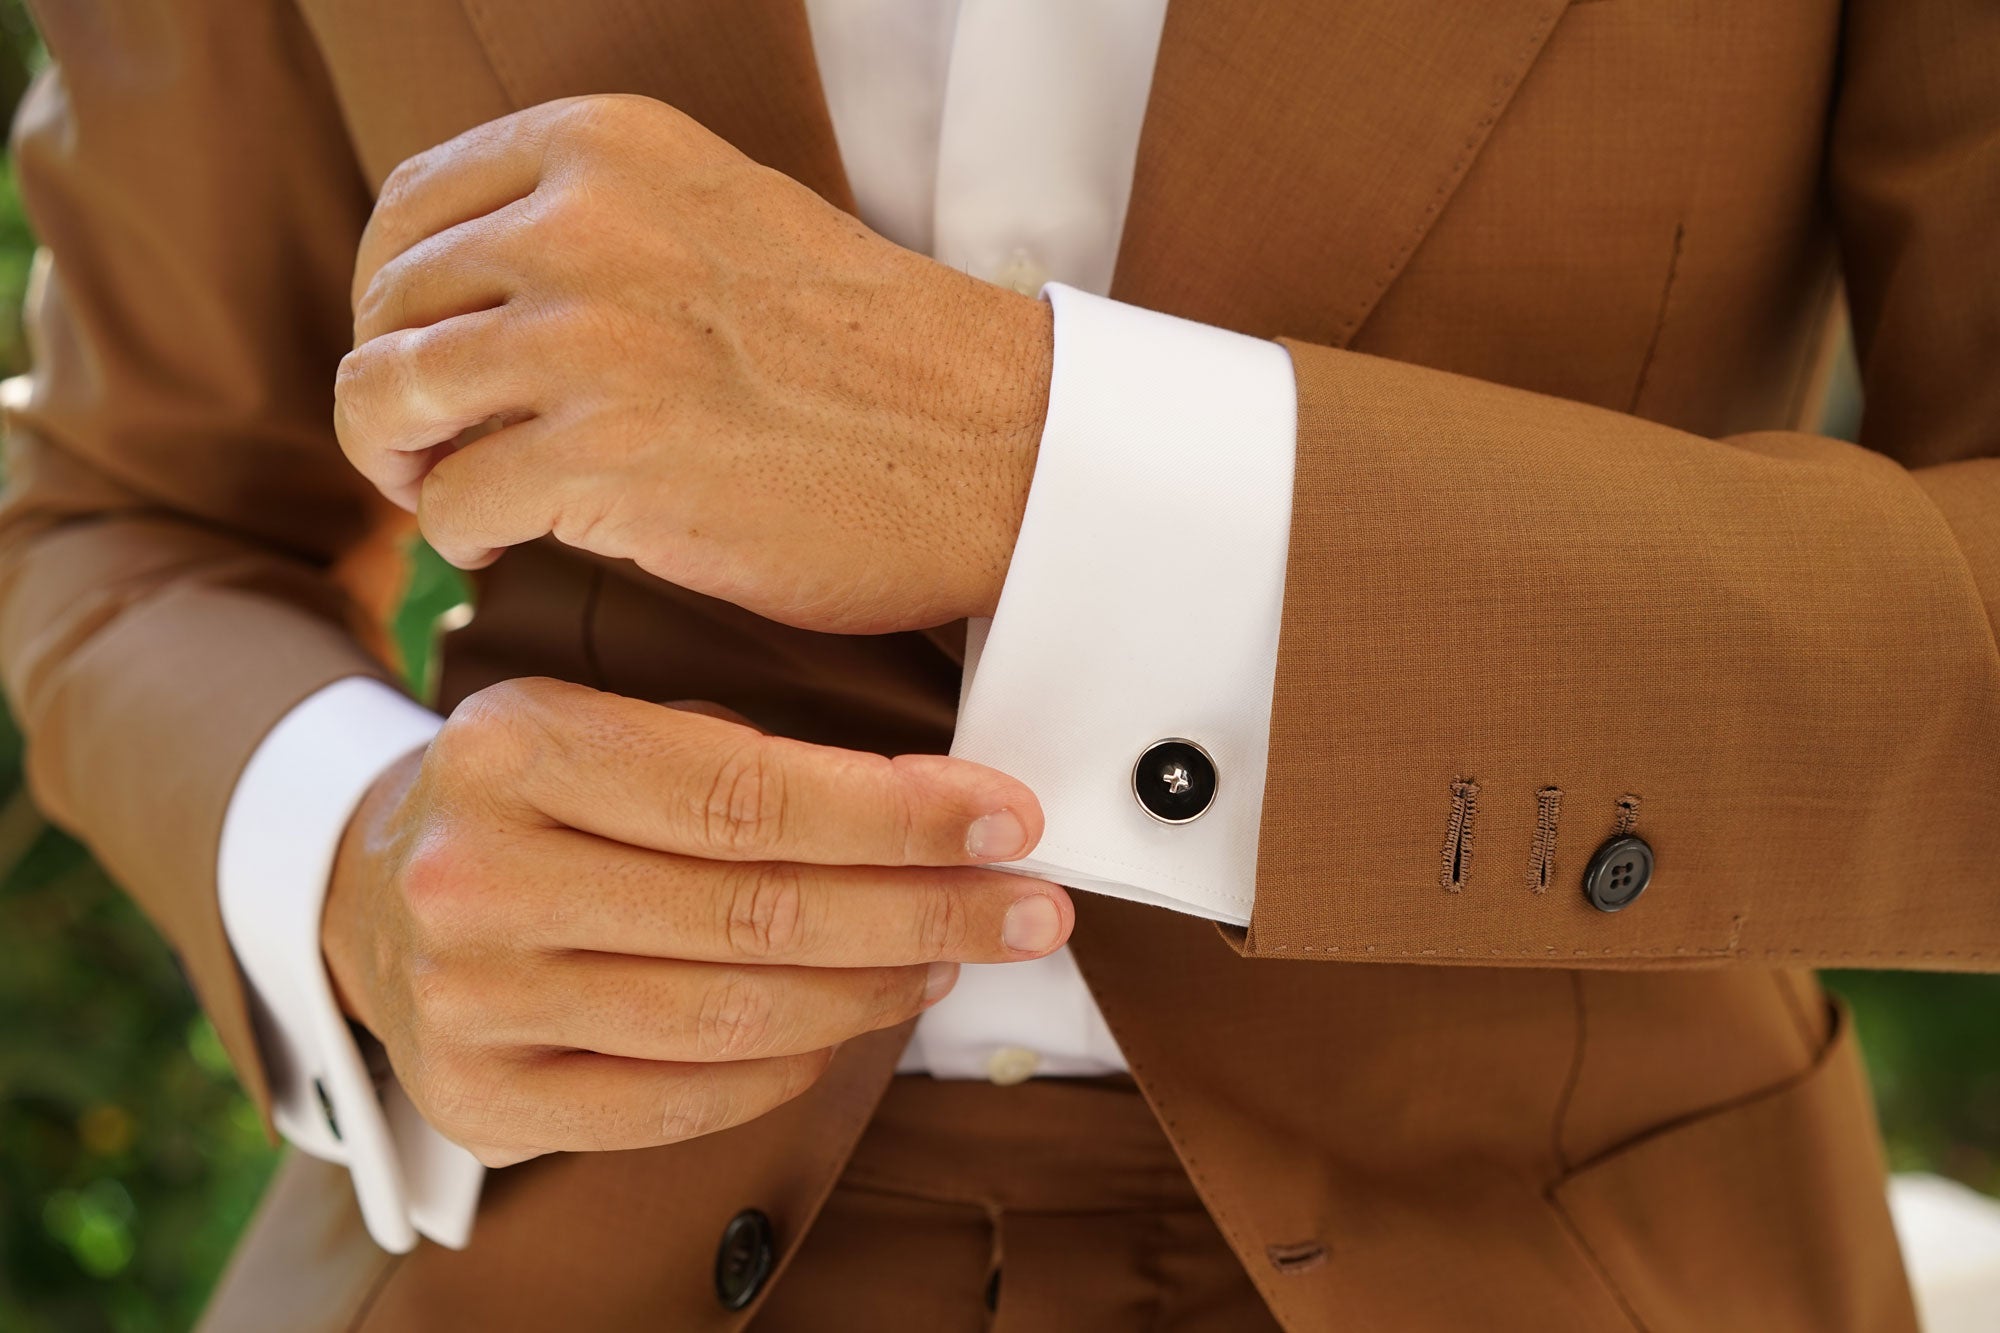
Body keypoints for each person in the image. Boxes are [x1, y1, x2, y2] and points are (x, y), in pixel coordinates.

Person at [3, 0, 1995, 1328]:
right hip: (526, 1252)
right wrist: (348, 859)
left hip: (1573, 1252)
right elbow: (124, 513)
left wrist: (1045, 464)